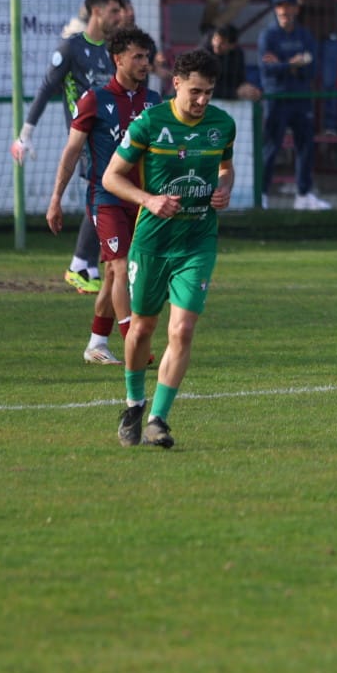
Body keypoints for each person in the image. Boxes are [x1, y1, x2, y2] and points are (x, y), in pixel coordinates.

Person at [103, 49, 237, 449]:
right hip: (152, 243)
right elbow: (112, 177)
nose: (202, 101)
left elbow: (226, 169)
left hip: (198, 240)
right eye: (195, 91)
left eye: (209, 93)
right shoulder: (149, 123)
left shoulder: (222, 125)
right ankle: (133, 404)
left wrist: (224, 188)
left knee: (182, 329)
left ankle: (159, 419)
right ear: (175, 83)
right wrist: (148, 200)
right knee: (142, 328)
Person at [44, 27, 160, 365]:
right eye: (137, 56)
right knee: (122, 267)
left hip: (140, 201)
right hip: (105, 198)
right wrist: (56, 199)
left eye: (147, 56)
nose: (144, 63)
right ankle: (133, 344)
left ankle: (96, 343)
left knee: (111, 275)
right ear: (118, 59)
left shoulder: (153, 101)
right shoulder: (94, 99)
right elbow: (71, 151)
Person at [14, 0, 125, 294]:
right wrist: (25, 134)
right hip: (84, 133)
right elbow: (47, 88)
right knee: (104, 190)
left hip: (111, 135)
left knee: (107, 191)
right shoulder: (71, 47)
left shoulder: (111, 50)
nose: (120, 16)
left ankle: (88, 267)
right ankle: (80, 263)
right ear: (97, 11)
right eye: (115, 10)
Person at [259, 0, 329, 211]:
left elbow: (311, 68)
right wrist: (292, 64)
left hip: (300, 97)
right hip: (277, 97)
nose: (284, 12)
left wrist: (284, 65)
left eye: (288, 8)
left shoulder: (305, 35)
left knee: (305, 146)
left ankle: (303, 194)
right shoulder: (268, 35)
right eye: (280, 8)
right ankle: (261, 194)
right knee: (271, 146)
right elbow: (267, 69)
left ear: (296, 10)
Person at [204, 25, 261, 102]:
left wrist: (248, 89)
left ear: (232, 45)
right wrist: (235, 93)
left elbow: (239, 79)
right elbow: (204, 87)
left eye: (223, 43)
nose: (217, 45)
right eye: (215, 39)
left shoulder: (238, 54)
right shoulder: (204, 54)